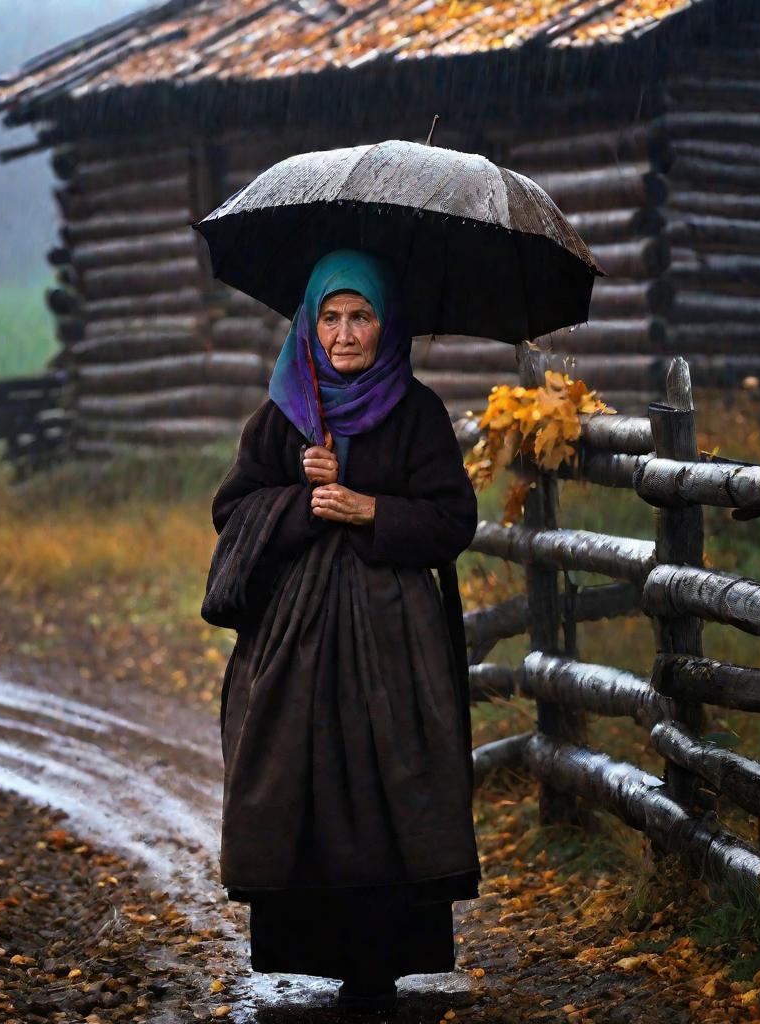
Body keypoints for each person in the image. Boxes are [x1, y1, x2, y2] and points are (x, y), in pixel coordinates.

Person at [200, 248, 482, 1013]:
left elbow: (455, 518)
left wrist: (371, 510)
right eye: (331, 317)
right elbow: (233, 513)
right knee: (299, 778)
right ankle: (308, 948)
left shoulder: (415, 411)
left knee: (390, 782)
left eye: (361, 317)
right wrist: (301, 495)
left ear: (386, 327)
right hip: (293, 644)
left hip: (394, 644)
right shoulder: (280, 417)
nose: (346, 333)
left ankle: (381, 965)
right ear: (309, 324)